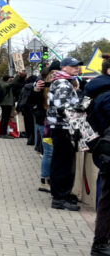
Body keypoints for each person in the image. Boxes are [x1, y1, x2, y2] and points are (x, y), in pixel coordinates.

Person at [46, 56, 84, 211]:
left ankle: (62, 194)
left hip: (60, 127)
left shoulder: (61, 81)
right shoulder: (63, 83)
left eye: (78, 66)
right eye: (74, 66)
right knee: (63, 163)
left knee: (61, 161)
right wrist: (81, 106)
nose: (77, 68)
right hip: (62, 128)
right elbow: (63, 107)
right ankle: (59, 198)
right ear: (64, 67)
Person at [85, 55, 110, 256]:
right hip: (108, 150)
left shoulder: (97, 91)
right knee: (107, 199)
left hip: (102, 148)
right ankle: (101, 242)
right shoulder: (107, 95)